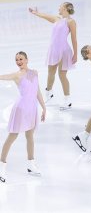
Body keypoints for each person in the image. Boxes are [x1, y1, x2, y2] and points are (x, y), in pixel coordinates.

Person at [0, 52, 46, 183]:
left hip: (32, 109)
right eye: (16, 60)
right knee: (12, 137)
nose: (19, 61)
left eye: (21, 59)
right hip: (20, 108)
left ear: (27, 59)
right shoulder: (17, 75)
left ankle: (31, 164)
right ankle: (1, 165)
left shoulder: (34, 73)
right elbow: (3, 77)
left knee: (30, 136)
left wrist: (44, 107)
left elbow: (37, 91)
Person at [29, 2, 77, 110]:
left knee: (62, 75)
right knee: (51, 73)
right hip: (53, 50)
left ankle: (67, 100)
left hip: (64, 50)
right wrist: (35, 13)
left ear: (65, 8)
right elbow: (45, 16)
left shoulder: (71, 21)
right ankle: (49, 94)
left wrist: (75, 54)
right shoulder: (57, 19)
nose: (58, 8)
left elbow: (74, 38)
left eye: (60, 6)